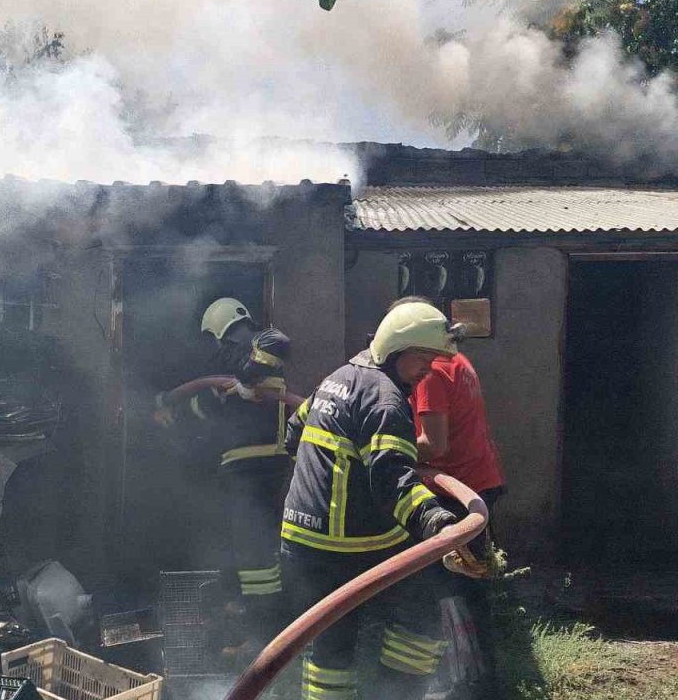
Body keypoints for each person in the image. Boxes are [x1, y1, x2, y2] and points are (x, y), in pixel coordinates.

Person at [282, 301, 487, 700]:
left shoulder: (338, 378)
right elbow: (392, 477)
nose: (429, 369)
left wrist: (321, 483)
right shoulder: (386, 400)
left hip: (302, 541)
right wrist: (440, 524)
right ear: (396, 349)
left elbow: (294, 432)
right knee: (419, 620)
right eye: (423, 358)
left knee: (330, 645)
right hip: (350, 545)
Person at [153, 297, 293, 652]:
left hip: (248, 466)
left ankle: (264, 634)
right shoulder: (250, 356)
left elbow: (276, 344)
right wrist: (183, 406)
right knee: (250, 543)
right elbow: (211, 405)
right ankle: (250, 621)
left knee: (253, 550)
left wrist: (244, 379)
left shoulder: (243, 350)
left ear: (218, 330)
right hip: (266, 465)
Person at [394, 296, 505, 700]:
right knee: (471, 589)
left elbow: (434, 444)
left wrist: (387, 449)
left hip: (455, 494)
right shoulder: (456, 360)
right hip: (478, 483)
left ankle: (465, 683)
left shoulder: (431, 371)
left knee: (447, 590)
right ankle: (480, 681)